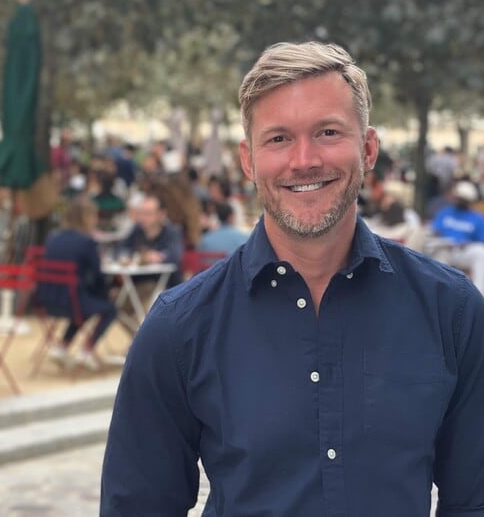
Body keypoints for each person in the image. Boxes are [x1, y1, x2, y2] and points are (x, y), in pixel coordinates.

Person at [100, 42, 484, 516]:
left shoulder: (452, 311)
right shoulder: (179, 328)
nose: (304, 160)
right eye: (279, 138)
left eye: (327, 132)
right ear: (248, 160)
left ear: (368, 148)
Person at [34, 199, 116, 370]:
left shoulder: (52, 238)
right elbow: (98, 275)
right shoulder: (86, 242)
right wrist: (107, 293)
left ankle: (62, 346)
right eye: (94, 216)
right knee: (109, 308)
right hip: (71, 301)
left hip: (47, 300)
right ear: (85, 217)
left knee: (84, 305)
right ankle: (86, 350)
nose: (96, 220)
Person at [427, 179, 484, 294]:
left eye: (464, 199)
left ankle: (479, 294)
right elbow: (434, 231)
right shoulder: (445, 212)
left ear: (470, 201)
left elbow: (480, 241)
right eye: (459, 198)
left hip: (463, 251)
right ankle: (437, 293)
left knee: (480, 252)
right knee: (439, 253)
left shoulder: (477, 218)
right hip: (445, 249)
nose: (460, 201)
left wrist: (467, 244)